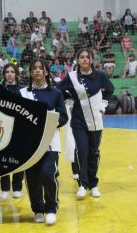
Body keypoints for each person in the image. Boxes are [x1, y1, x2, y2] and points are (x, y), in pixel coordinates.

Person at [57, 48, 114, 199]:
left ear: (91, 60)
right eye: (81, 57)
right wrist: (70, 101)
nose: (84, 60)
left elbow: (110, 90)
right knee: (82, 151)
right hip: (78, 120)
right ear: (78, 60)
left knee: (93, 152)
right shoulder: (72, 77)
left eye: (87, 57)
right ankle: (83, 185)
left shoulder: (100, 76)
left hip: (96, 120)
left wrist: (102, 107)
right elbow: (58, 91)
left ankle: (94, 184)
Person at [20, 59, 68, 225]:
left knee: (48, 174)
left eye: (41, 68)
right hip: (28, 143)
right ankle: (38, 209)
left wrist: (51, 122)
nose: (38, 71)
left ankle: (51, 208)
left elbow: (63, 116)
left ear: (47, 72)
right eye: (34, 68)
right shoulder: (22, 93)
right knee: (32, 178)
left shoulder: (56, 93)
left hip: (50, 142)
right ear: (30, 72)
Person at [0, 64, 25, 199]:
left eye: (12, 72)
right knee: (3, 157)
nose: (9, 74)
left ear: (16, 74)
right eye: (7, 72)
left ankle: (17, 186)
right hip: (2, 127)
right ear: (4, 74)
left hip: (19, 127)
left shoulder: (23, 89)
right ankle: (4, 187)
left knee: (19, 157)